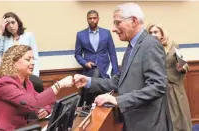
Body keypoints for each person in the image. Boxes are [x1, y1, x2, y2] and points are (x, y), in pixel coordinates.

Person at [74, 3, 173, 131]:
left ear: (134, 21)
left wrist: (119, 100)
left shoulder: (150, 45)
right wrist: (88, 82)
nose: (114, 29)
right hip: (133, 120)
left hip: (148, 123)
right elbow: (120, 80)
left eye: (117, 23)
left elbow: (157, 86)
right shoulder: (132, 46)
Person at [0, 45, 74, 131]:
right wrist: (59, 85)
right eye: (28, 59)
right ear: (13, 63)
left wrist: (46, 109)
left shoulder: (27, 83)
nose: (33, 62)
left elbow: (40, 99)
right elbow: (33, 103)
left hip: (23, 128)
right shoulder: (5, 83)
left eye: (33, 59)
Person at [147, 23, 192, 131]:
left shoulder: (172, 45)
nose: (153, 34)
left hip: (173, 86)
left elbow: (184, 63)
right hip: (157, 87)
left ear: (162, 33)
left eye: (156, 32)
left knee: (177, 116)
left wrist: (182, 68)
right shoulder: (147, 48)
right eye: (150, 32)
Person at [75, 10, 119, 107]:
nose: (92, 20)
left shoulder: (106, 33)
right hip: (89, 72)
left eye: (94, 18)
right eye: (90, 18)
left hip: (105, 71)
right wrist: (85, 63)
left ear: (98, 19)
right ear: (87, 20)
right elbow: (77, 54)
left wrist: (115, 72)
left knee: (105, 101)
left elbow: (112, 53)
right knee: (90, 101)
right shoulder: (80, 35)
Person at [0, 12, 40, 76]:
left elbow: (35, 58)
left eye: (13, 22)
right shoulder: (4, 39)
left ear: (18, 22)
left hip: (27, 74)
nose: (11, 26)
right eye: (7, 24)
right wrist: (1, 32)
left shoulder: (29, 36)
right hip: (10, 74)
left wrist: (35, 76)